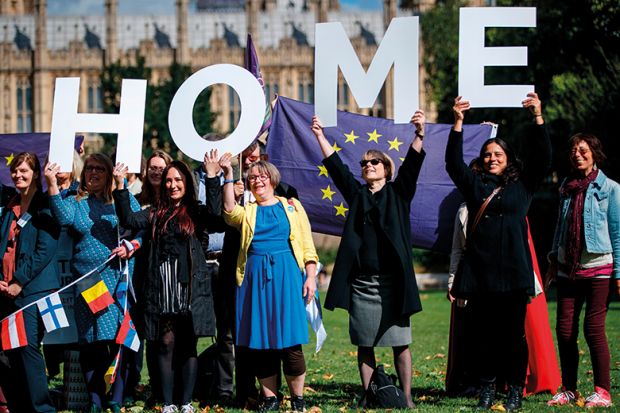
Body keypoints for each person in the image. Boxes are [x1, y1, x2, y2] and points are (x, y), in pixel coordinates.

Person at [310, 111, 427, 408]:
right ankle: (368, 395)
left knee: (400, 342)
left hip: (393, 283)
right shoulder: (358, 194)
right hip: (362, 284)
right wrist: (320, 136)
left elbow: (412, 167)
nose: (367, 166)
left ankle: (408, 397)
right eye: (364, 163)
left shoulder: (399, 194)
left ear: (386, 169)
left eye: (373, 162)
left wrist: (420, 135)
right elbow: (336, 168)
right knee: (365, 343)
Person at [445, 93, 551, 411]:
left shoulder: (523, 187)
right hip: (482, 276)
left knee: (514, 338)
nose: (492, 157)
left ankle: (515, 390)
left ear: (508, 157)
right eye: (488, 154)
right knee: (485, 338)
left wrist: (538, 117)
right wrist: (458, 123)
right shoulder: (475, 187)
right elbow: (452, 163)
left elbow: (544, 158)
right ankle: (488, 390)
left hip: (515, 274)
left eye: (498, 153)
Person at [214, 151, 317, 413]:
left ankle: (298, 401)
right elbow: (228, 211)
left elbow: (307, 246)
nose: (257, 181)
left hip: (286, 276)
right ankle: (270, 398)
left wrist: (311, 277)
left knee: (291, 342)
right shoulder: (248, 211)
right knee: (262, 342)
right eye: (252, 178)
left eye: (261, 176)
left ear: (272, 179)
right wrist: (228, 176)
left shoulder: (291, 206)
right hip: (254, 279)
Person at [112, 160, 217, 413]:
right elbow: (127, 217)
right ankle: (168, 402)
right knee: (166, 343)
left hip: (189, 288)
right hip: (162, 288)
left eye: (178, 180)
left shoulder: (196, 212)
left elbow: (215, 216)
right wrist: (120, 184)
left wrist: (212, 177)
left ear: (186, 183)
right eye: (169, 180)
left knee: (187, 344)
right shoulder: (155, 213)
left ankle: (186, 402)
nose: (172, 185)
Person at [203, 140, 298, 408]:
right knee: (231, 334)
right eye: (246, 158)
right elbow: (218, 216)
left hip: (270, 275)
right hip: (235, 271)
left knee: (268, 335)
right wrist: (227, 187)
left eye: (255, 157)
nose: (251, 162)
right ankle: (234, 391)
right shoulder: (232, 188)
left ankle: (269, 393)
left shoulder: (282, 193)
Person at [44, 154, 142, 413]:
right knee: (91, 343)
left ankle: (117, 398)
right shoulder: (77, 201)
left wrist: (131, 245)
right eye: (90, 169)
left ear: (109, 173)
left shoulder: (123, 197)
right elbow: (63, 218)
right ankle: (96, 399)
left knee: (119, 339)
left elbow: (140, 227)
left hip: (118, 278)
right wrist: (52, 184)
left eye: (100, 168)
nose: (94, 173)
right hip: (88, 282)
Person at [545, 133, 620, 408]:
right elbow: (560, 227)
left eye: (583, 150)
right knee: (564, 330)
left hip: (599, 266)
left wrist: (619, 273)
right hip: (567, 267)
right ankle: (569, 389)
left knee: (593, 329)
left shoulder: (611, 188)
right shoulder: (567, 186)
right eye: (574, 150)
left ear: (594, 153)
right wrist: (553, 259)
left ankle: (602, 391)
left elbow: (617, 232)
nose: (577, 154)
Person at [0, 152, 60, 413]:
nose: (18, 175)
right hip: (5, 291)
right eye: (15, 171)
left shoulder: (45, 205)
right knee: (9, 351)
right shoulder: (11, 205)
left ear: (36, 174)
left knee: (27, 349)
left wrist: (18, 281)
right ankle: (19, 405)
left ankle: (42, 409)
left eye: (24, 170)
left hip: (32, 291)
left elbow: (44, 250)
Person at [132, 150, 173, 406]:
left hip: (168, 275)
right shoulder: (139, 200)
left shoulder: (176, 201)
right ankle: (154, 390)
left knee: (168, 338)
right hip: (142, 273)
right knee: (150, 334)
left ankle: (169, 390)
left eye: (161, 167)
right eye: (152, 167)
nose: (156, 171)